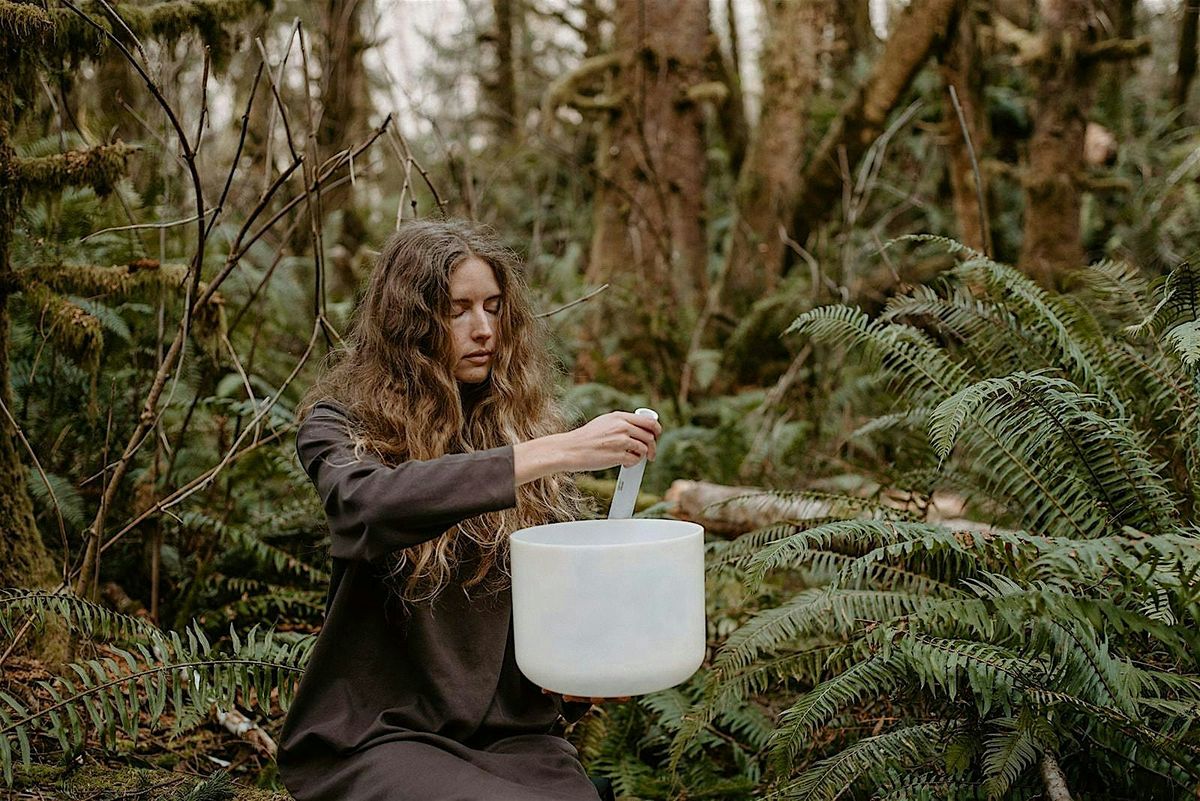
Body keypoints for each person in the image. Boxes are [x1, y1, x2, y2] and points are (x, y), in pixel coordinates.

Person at [276, 218, 663, 801]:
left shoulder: (521, 426)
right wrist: (558, 451)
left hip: (515, 738)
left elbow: (552, 615)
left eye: (493, 306)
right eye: (457, 310)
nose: (483, 329)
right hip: (378, 738)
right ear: (410, 322)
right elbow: (366, 506)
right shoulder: (338, 427)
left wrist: (586, 674)